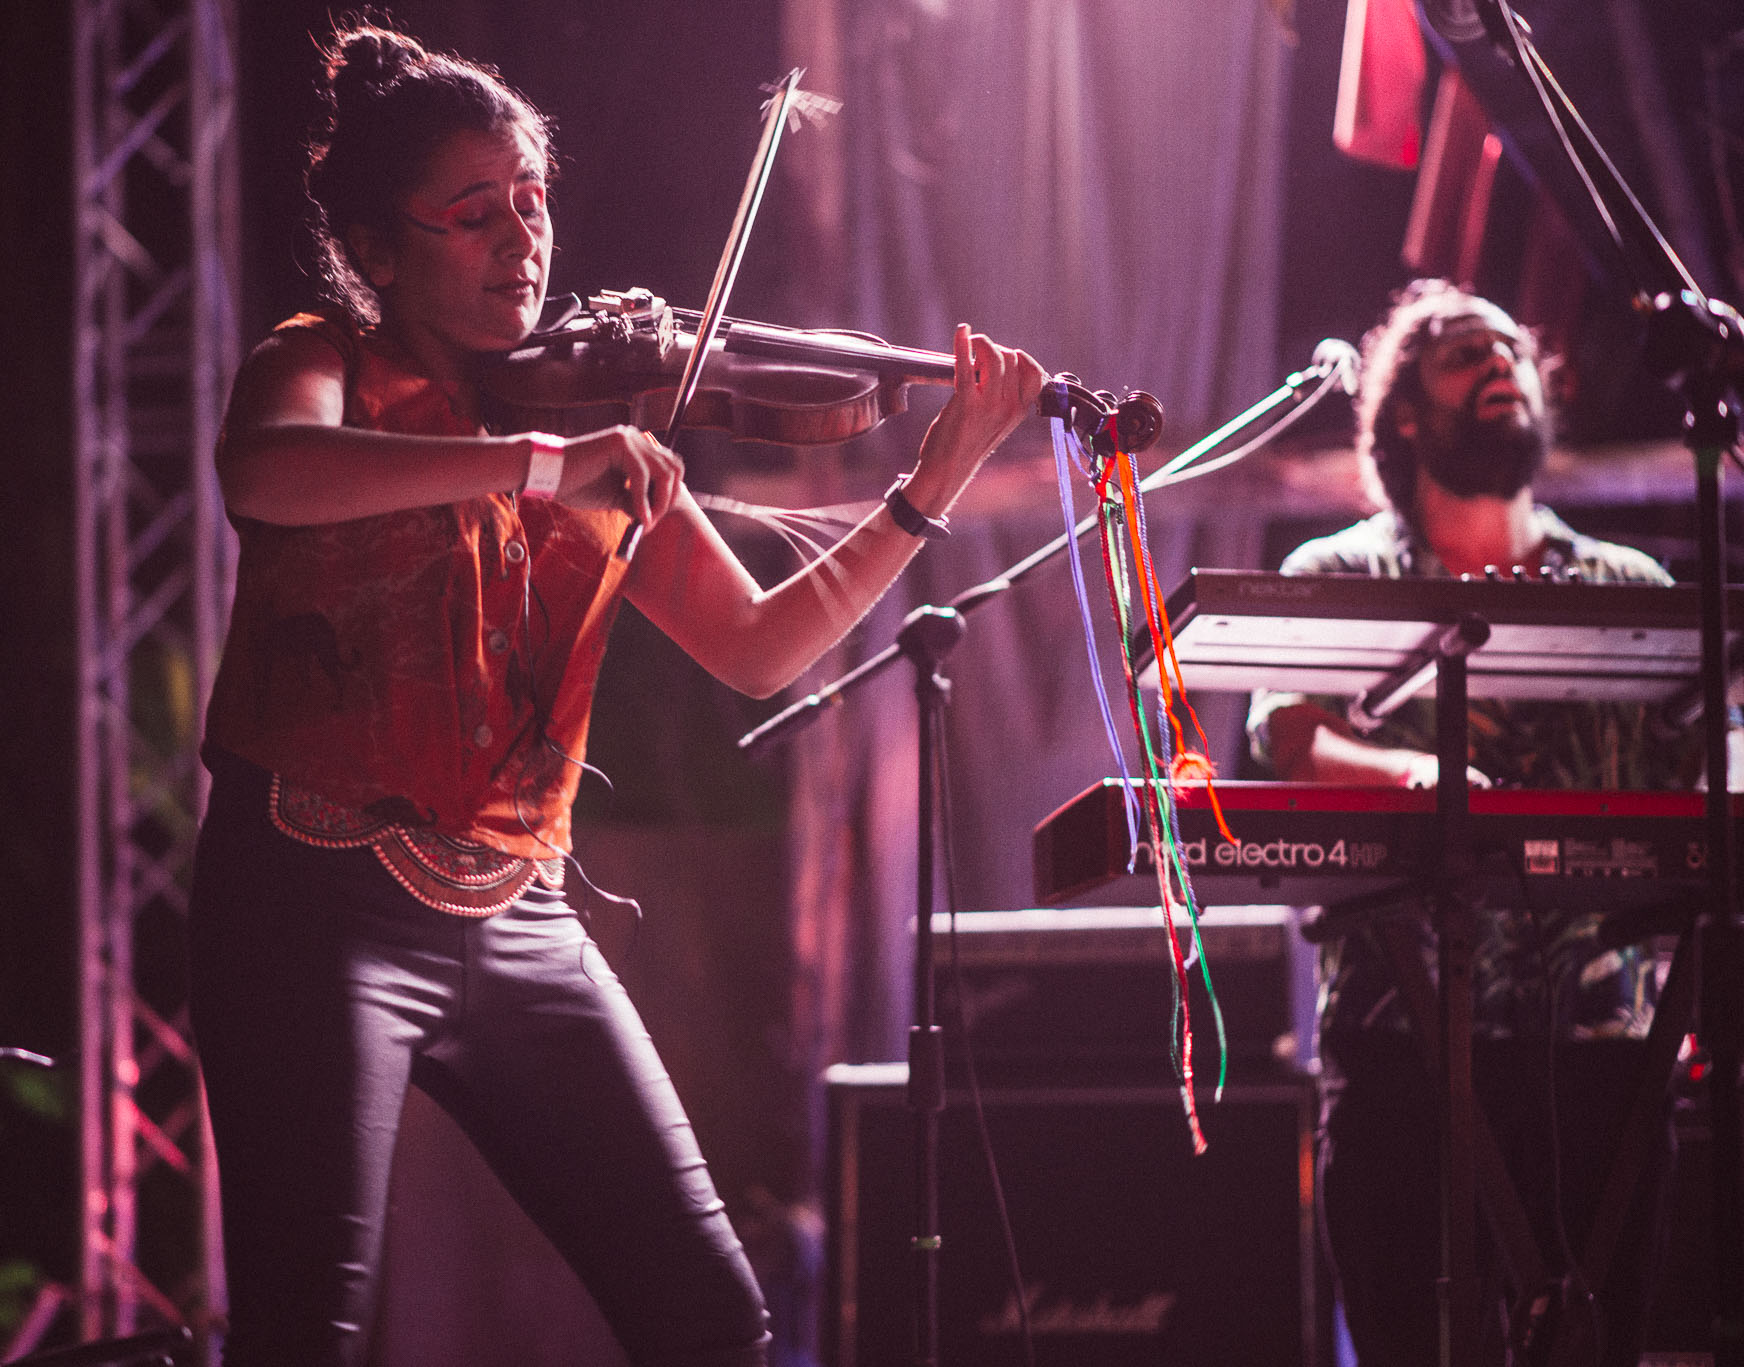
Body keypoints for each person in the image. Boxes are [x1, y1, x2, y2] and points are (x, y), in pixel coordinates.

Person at [184, 19, 1046, 1366]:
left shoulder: (605, 438)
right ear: (383, 243)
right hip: (313, 898)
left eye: (534, 202)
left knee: (711, 1315)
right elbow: (269, 475)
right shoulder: (327, 358)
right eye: (475, 213)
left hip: (521, 915)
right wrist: (535, 460)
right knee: (307, 1334)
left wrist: (925, 490)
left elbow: (760, 645)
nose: (523, 240)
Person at [1248, 279, 1707, 1367]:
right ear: (1401, 410)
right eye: (1464, 350)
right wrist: (1411, 772)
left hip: (1601, 1051)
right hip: (1398, 1038)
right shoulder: (1336, 576)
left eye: (1512, 346)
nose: (1501, 359)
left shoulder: (1623, 582)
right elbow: (1289, 737)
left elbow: (1694, 773)